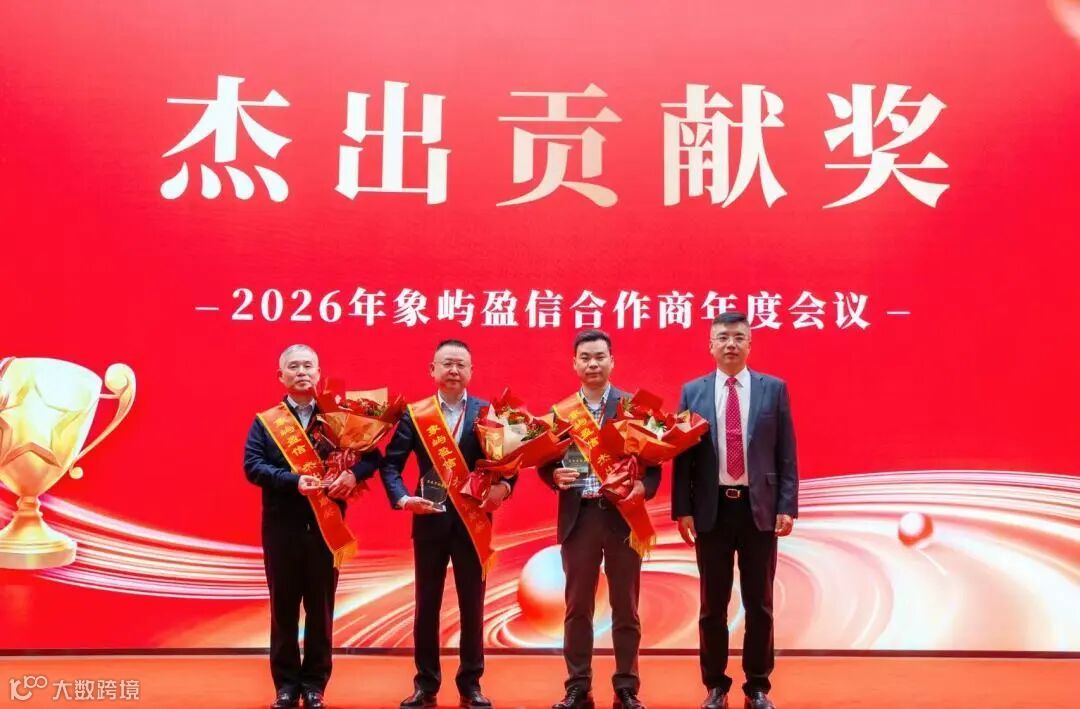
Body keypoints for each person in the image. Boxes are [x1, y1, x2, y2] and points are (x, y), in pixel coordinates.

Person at [243, 344, 380, 709]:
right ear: (281, 376)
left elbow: (372, 458)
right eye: (294, 367)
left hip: (326, 530)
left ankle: (315, 685)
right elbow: (252, 466)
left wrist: (353, 475)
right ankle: (286, 687)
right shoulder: (266, 422)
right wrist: (293, 481)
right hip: (282, 529)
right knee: (283, 610)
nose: (301, 372)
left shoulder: (339, 416)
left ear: (319, 373)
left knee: (321, 610)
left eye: (308, 366)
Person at [672, 312, 799, 709]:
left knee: (759, 603)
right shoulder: (692, 392)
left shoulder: (772, 389)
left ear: (749, 344)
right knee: (713, 605)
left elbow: (786, 452)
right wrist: (683, 509)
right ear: (710, 345)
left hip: (758, 509)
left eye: (739, 337)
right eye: (723, 337)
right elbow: (683, 458)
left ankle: (757, 686)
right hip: (712, 511)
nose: (731, 344)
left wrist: (787, 505)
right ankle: (715, 686)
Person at [379, 339, 513, 709]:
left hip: (473, 522)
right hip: (429, 520)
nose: (453, 370)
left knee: (473, 606)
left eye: (460, 364)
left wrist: (504, 487)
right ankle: (426, 685)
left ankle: (471, 684)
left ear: (471, 371)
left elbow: (509, 464)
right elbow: (390, 465)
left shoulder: (487, 413)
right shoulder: (416, 414)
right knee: (427, 606)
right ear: (433, 370)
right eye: (447, 364)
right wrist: (404, 499)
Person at [539, 330, 660, 709]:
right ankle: (578, 686)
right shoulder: (561, 413)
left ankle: (626, 687)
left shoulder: (631, 408)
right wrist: (553, 476)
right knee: (577, 608)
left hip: (622, 517)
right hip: (580, 519)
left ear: (612, 361)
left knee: (626, 607)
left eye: (600, 357)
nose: (593, 364)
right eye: (586, 358)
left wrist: (643, 487)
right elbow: (543, 462)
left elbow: (653, 463)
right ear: (574, 364)